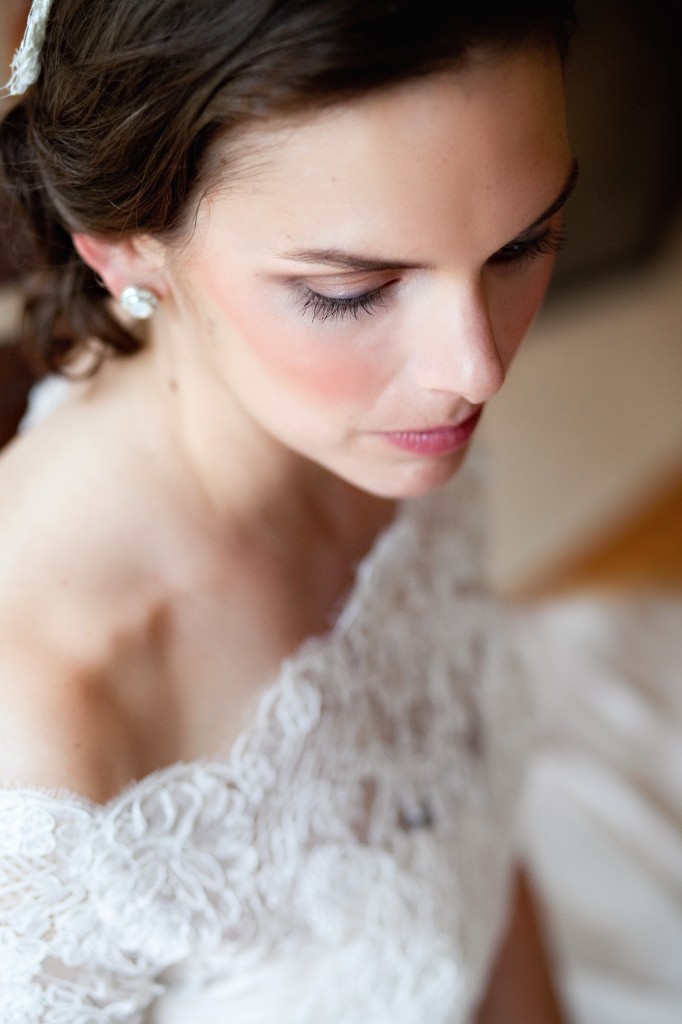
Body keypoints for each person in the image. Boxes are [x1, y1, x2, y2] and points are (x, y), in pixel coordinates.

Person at [0, 1, 578, 1020]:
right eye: (354, 290)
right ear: (124, 247)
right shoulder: (48, 742)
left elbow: (471, 840)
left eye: (520, 245)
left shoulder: (388, 441)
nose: (473, 369)